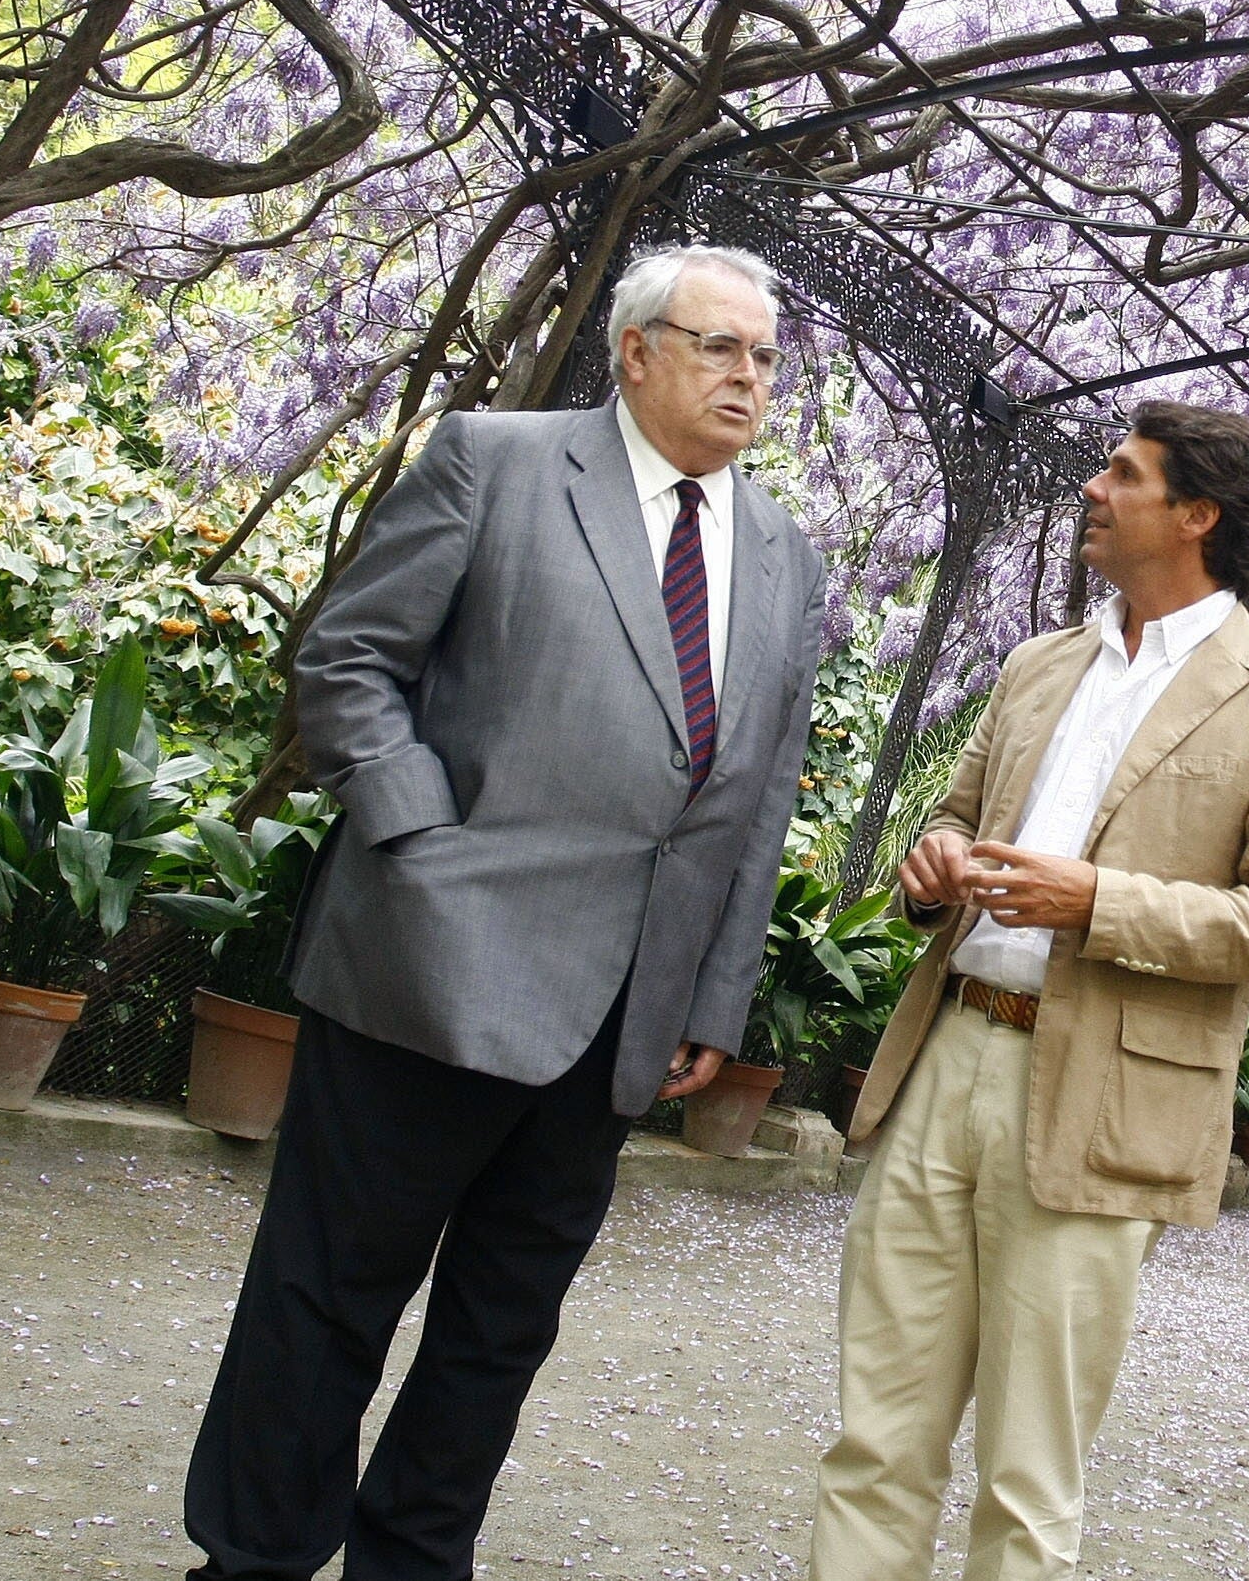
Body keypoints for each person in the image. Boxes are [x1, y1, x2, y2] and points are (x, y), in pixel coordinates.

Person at [182, 245, 825, 1581]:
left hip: (619, 1013)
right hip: (432, 963)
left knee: (499, 1327)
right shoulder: (500, 459)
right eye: (719, 346)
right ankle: (251, 1558)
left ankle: (413, 1563)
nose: (747, 377)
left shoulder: (781, 554)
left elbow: (756, 793)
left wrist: (713, 991)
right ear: (635, 350)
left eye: (765, 356)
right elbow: (350, 658)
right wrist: (419, 839)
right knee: (329, 1293)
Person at [809, 400, 1249, 1581]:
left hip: (1098, 1100)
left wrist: (1096, 902)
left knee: (1026, 1478)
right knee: (874, 1439)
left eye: (1121, 475)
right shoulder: (1039, 663)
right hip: (947, 1055)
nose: (1092, 492)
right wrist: (931, 867)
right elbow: (953, 820)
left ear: (1195, 515)